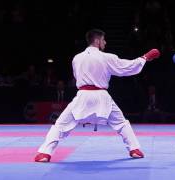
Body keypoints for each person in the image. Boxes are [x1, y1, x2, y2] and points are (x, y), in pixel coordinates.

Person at [34, 29, 160, 162]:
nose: (105, 43)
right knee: (121, 123)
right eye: (104, 40)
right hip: (102, 97)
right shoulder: (106, 57)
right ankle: (134, 149)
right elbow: (127, 68)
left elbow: (77, 77)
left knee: (60, 125)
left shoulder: (77, 58)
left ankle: (44, 153)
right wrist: (145, 57)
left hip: (82, 96)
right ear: (97, 41)